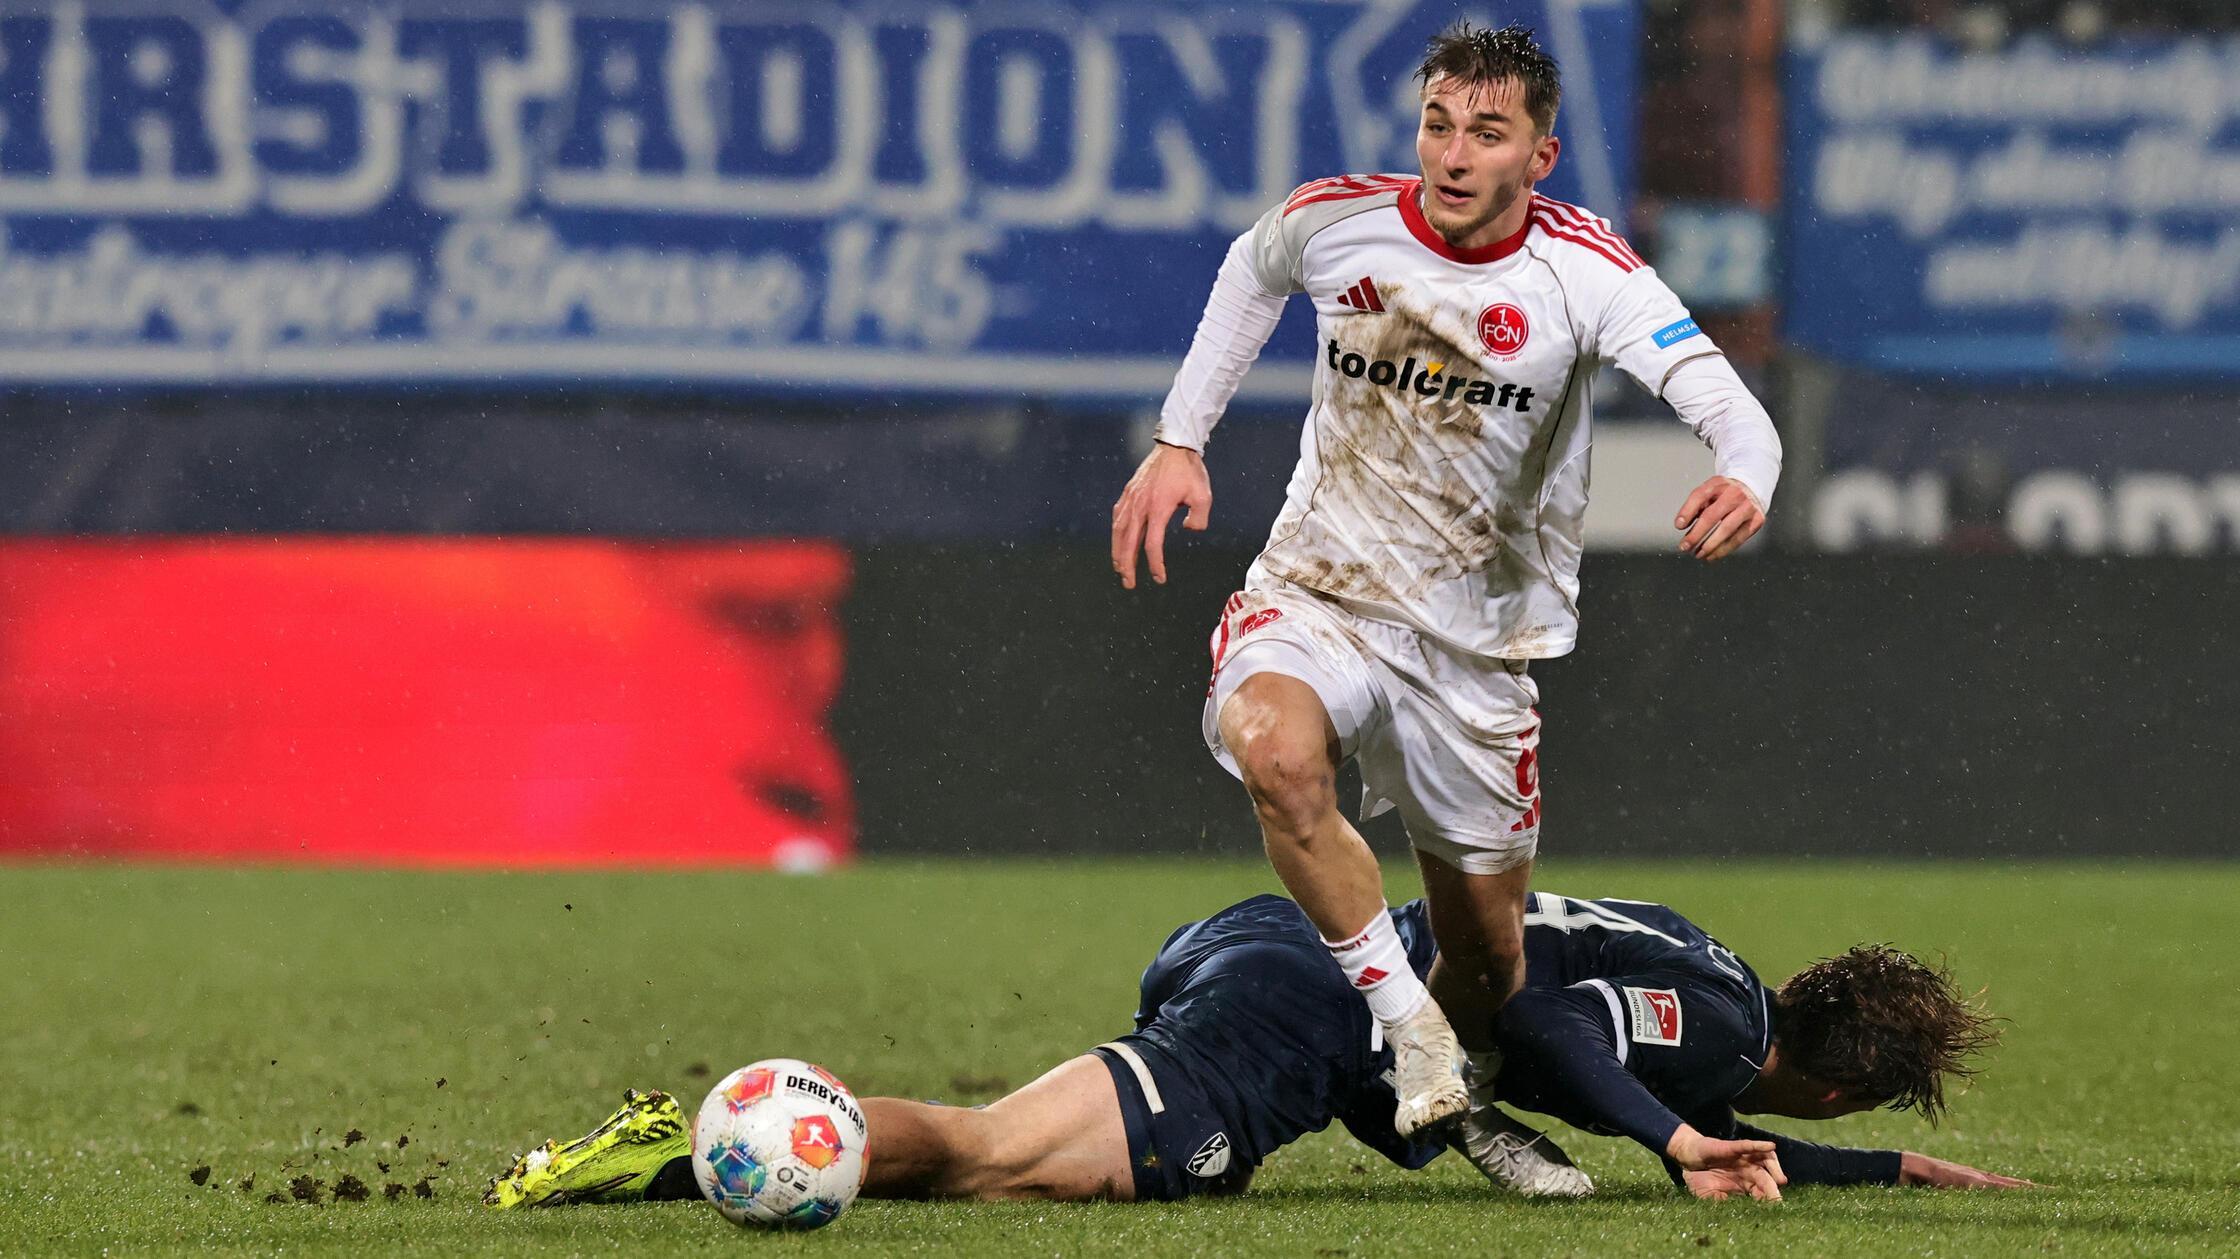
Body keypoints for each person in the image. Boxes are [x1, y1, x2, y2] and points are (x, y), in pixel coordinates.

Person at [1107, 23, 1785, 1145]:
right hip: (1318, 592)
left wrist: (1745, 471)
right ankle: (1404, 1028)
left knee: (1486, 955)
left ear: (1539, 156)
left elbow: (1728, 406)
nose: (1453, 154)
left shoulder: (1585, 269)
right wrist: (1182, 436)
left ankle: (1440, 1079)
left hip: (1477, 655)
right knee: (1277, 755)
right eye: (1436, 124)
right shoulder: (1338, 220)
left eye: (1486, 132)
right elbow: (1249, 268)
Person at [483, 891, 2024, 1209]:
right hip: (1312, 995)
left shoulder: (1708, 959)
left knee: (1026, 1190)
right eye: (1862, 1112)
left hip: (1307, 984)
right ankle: (713, 1136)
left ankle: (676, 1175)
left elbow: (1523, 1016)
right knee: (1005, 1142)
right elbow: (1551, 1016)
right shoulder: (1724, 1027)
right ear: (1827, 1067)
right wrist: (1673, 1141)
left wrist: (1880, 1168)